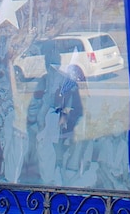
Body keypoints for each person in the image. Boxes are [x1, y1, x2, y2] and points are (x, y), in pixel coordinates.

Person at [26, 45, 82, 185]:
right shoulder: (44, 79)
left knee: (48, 142)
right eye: (48, 61)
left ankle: (52, 175)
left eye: (53, 60)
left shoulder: (64, 79)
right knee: (42, 143)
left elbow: (69, 100)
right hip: (44, 116)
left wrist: (64, 114)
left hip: (56, 116)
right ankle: (47, 175)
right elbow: (36, 99)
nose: (50, 65)